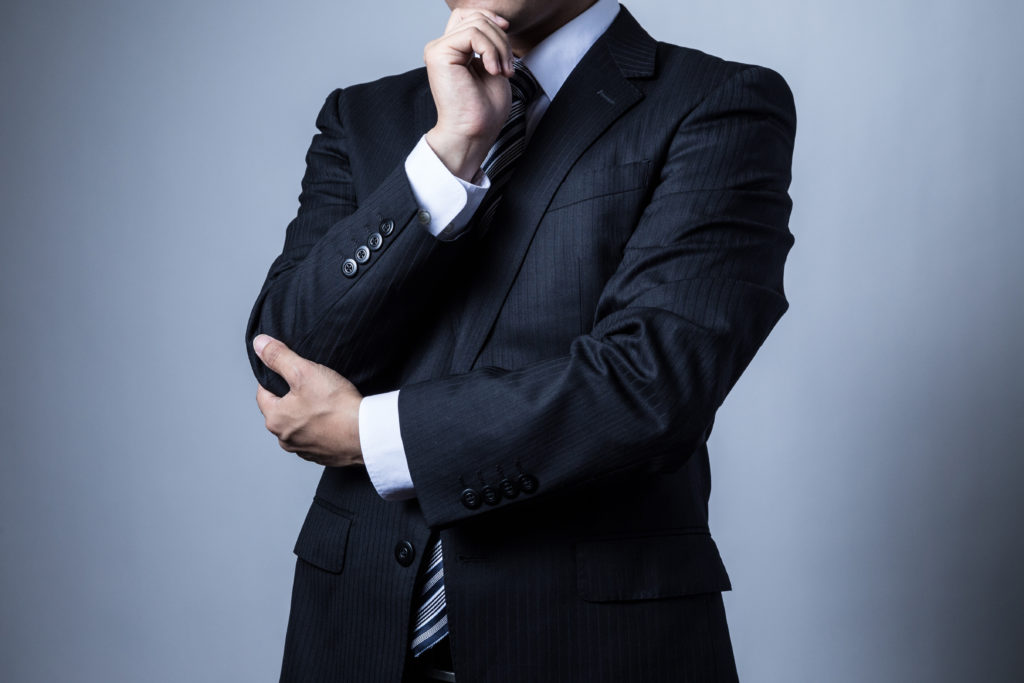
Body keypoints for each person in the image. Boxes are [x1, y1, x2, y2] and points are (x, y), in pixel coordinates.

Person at [245, 0, 796, 680]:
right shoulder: (360, 116)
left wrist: (374, 435)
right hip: (350, 640)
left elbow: (652, 384)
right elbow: (288, 362)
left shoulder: (717, 102)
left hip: (592, 648)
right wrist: (449, 156)